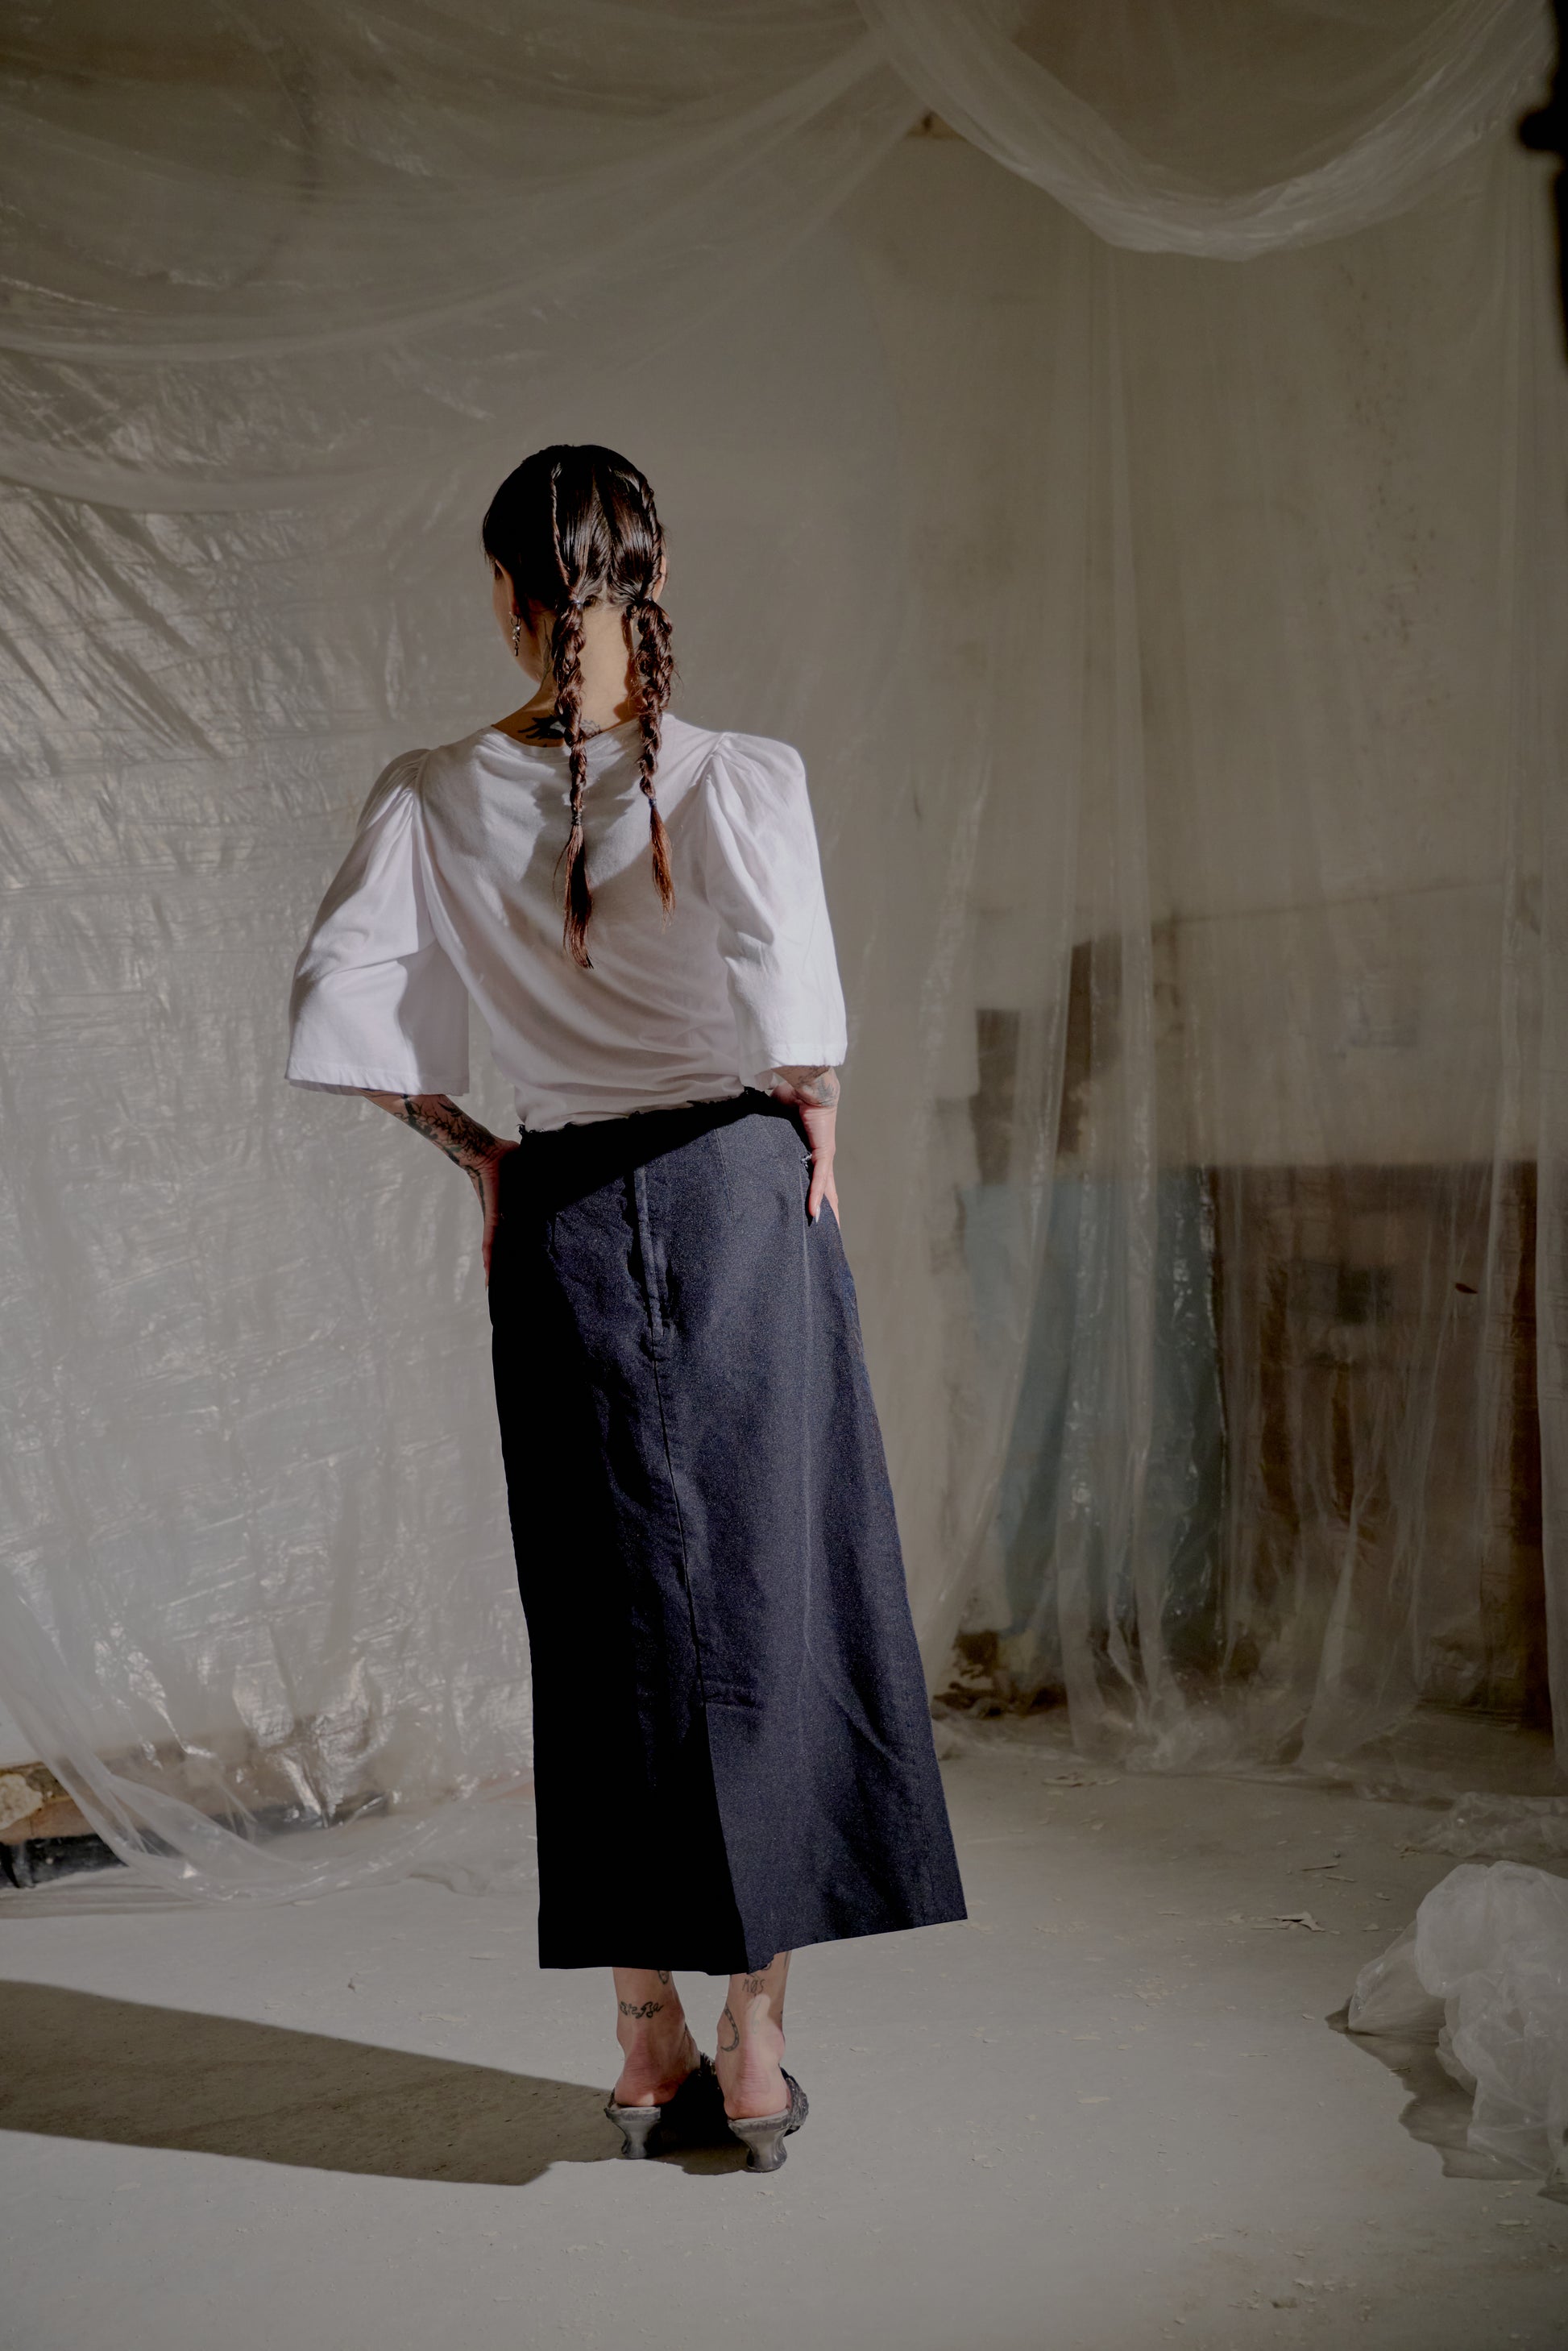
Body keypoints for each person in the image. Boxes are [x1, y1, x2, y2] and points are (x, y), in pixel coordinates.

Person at [284, 443, 965, 2172]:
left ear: (510, 599)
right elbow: (799, 1026)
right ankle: (755, 2038)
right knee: (775, 1605)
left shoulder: (434, 789)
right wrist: (814, 1124)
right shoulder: (742, 776)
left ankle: (643, 2020)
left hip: (568, 1212)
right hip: (746, 1201)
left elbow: (344, 1008)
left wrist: (480, 1152)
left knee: (604, 1626)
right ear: (654, 586)